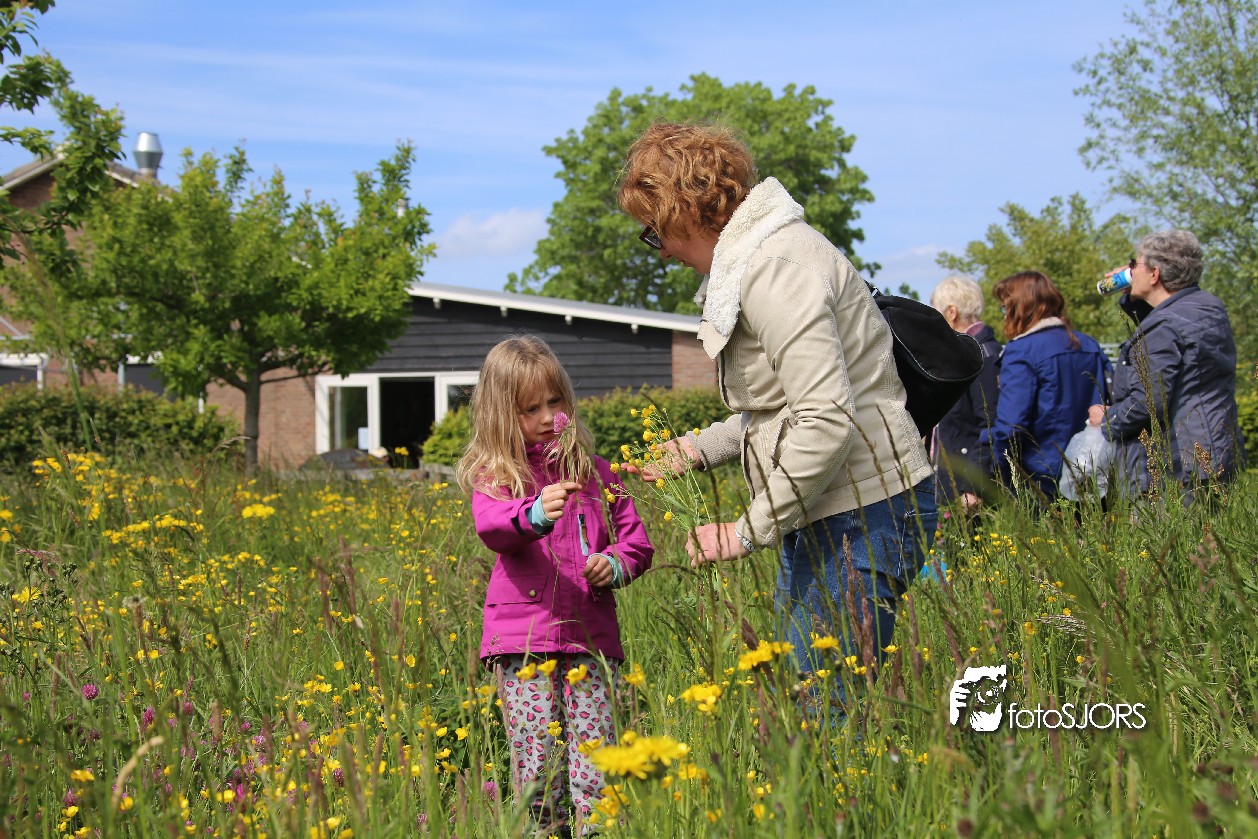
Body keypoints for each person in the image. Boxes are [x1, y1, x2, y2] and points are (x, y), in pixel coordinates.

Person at [617, 122, 936, 715]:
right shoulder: (759, 261)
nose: (659, 251)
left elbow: (825, 419)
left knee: (828, 714)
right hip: (832, 508)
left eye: (655, 230)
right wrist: (697, 448)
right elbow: (782, 408)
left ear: (687, 210)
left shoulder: (776, 268)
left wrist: (743, 531)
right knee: (821, 703)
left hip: (859, 514)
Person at [457, 335, 654, 837]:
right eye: (531, 409)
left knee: (596, 764)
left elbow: (636, 542)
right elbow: (492, 527)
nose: (548, 417)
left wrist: (615, 564)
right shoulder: (498, 475)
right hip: (523, 645)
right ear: (503, 415)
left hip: (590, 639)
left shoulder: (595, 472)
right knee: (538, 769)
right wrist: (535, 513)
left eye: (555, 401)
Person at [1088, 230, 1244, 501]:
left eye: (1134, 264)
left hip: (1178, 465)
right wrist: (1134, 297)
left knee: (1172, 529)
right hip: (1214, 447)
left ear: (1154, 274)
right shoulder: (1208, 307)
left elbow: (1148, 402)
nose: (1129, 270)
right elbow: (1168, 324)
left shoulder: (1165, 326)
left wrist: (1107, 420)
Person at [979, 271, 1111, 502]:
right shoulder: (1089, 345)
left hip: (1041, 478)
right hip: (1091, 470)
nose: (1004, 315)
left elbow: (1011, 426)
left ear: (1020, 308)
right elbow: (1106, 401)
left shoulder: (1021, 351)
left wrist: (996, 467)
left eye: (1005, 308)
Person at [929, 275, 1002, 515]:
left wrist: (973, 487)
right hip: (956, 481)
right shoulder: (966, 352)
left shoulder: (980, 356)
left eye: (936, 313)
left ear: (952, 312)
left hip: (968, 490)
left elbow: (989, 424)